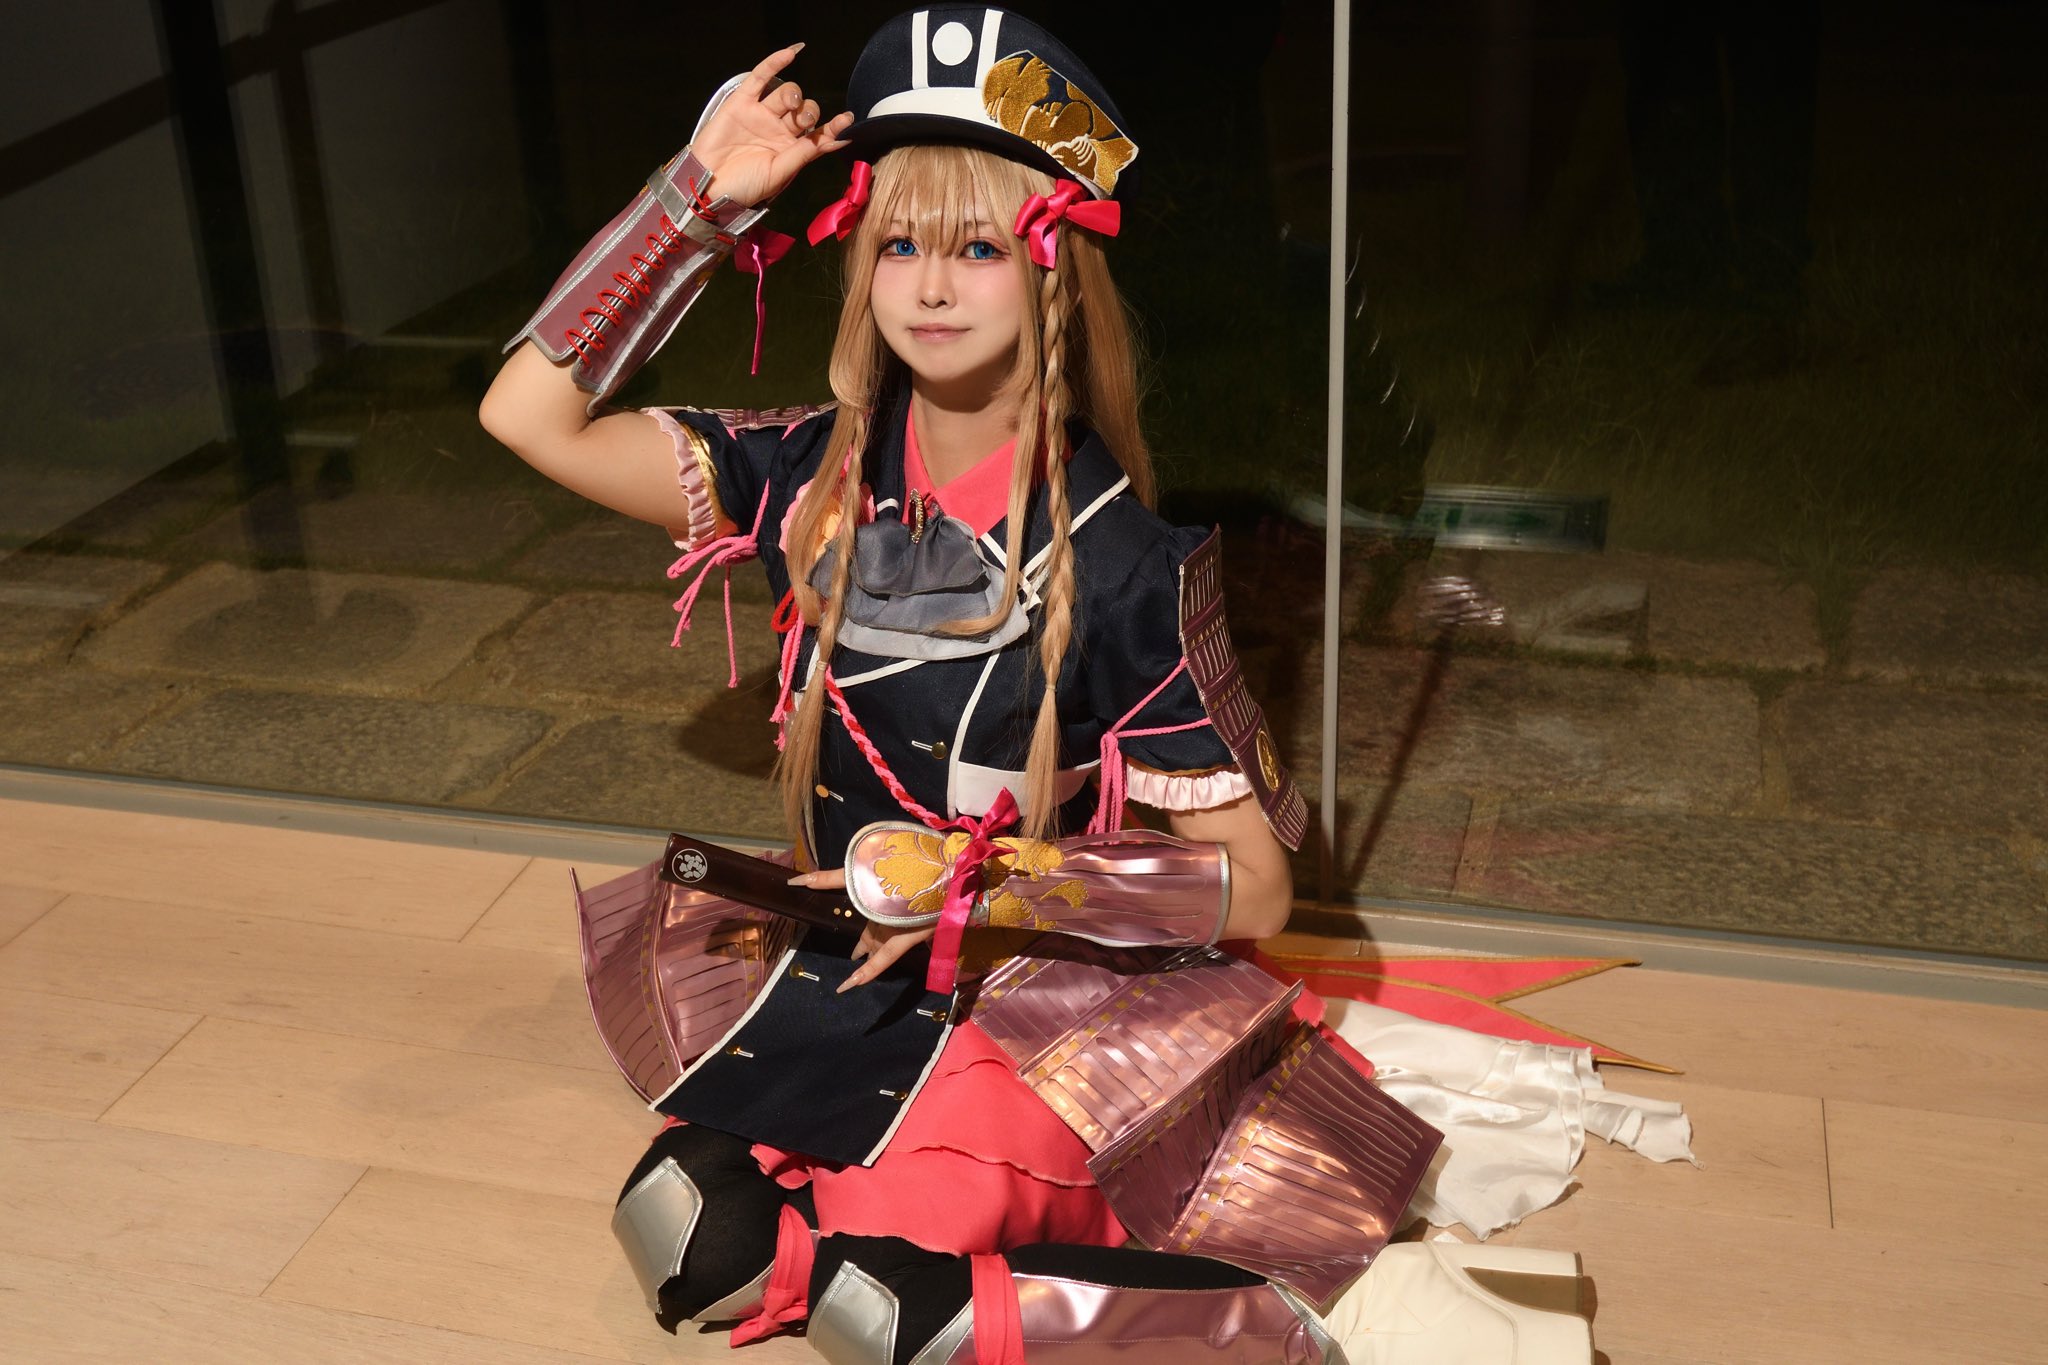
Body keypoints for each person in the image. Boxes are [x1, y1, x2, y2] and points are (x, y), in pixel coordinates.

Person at [482, 9, 1589, 1362]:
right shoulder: (803, 475)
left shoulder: (1126, 563)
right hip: (846, 968)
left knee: (885, 1277)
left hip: (1037, 1004)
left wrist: (991, 886)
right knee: (681, 1228)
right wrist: (696, 200)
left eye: (978, 248)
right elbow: (525, 416)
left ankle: (1259, 1327)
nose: (930, 288)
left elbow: (1255, 887)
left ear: (1051, 267)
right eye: (900, 244)